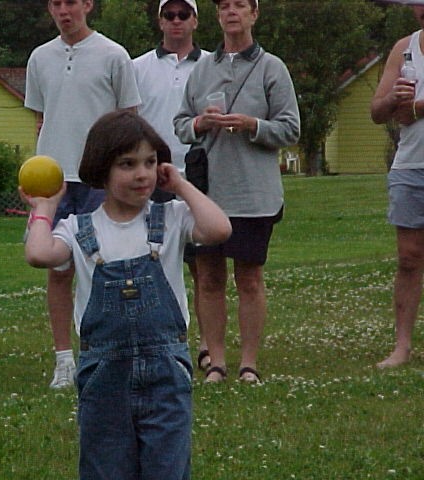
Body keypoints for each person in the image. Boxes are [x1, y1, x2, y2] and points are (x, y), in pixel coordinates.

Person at [20, 110, 231, 479]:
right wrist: (45, 208)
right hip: (104, 376)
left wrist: (180, 185)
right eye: (127, 164)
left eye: (150, 162)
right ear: (102, 169)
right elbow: (38, 254)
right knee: (106, 467)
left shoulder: (171, 216)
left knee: (167, 468)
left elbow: (219, 229)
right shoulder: (78, 228)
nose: (142, 174)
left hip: (166, 373)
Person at [173, 0, 300, 383]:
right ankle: (216, 362)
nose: (231, 12)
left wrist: (252, 125)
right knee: (209, 278)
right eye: (224, 5)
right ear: (217, 16)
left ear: (253, 14)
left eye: (240, 5)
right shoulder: (201, 70)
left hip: (253, 194)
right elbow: (180, 124)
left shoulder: (272, 68)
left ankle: (249, 364)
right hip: (208, 194)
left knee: (249, 279)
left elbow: (290, 128)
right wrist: (200, 122)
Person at [24, 0, 141, 389]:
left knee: (106, 270)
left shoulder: (114, 55)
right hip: (54, 182)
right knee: (57, 270)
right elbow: (41, 119)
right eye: (57, 3)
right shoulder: (39, 58)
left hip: (99, 179)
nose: (64, 11)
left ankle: (109, 354)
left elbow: (129, 120)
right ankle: (63, 360)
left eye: (71, 2)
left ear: (87, 5)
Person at [133, 0, 213, 373]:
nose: (176, 21)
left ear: (195, 20)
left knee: (204, 270)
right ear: (160, 20)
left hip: (199, 175)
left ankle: (208, 344)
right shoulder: (137, 68)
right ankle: (159, 341)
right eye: (170, 15)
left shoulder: (212, 65)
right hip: (151, 178)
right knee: (152, 267)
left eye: (184, 15)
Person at [371, 4, 424, 369]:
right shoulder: (404, 48)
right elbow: (377, 111)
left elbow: (413, 112)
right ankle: (402, 346)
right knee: (408, 257)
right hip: (410, 165)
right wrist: (395, 100)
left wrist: (416, 108)